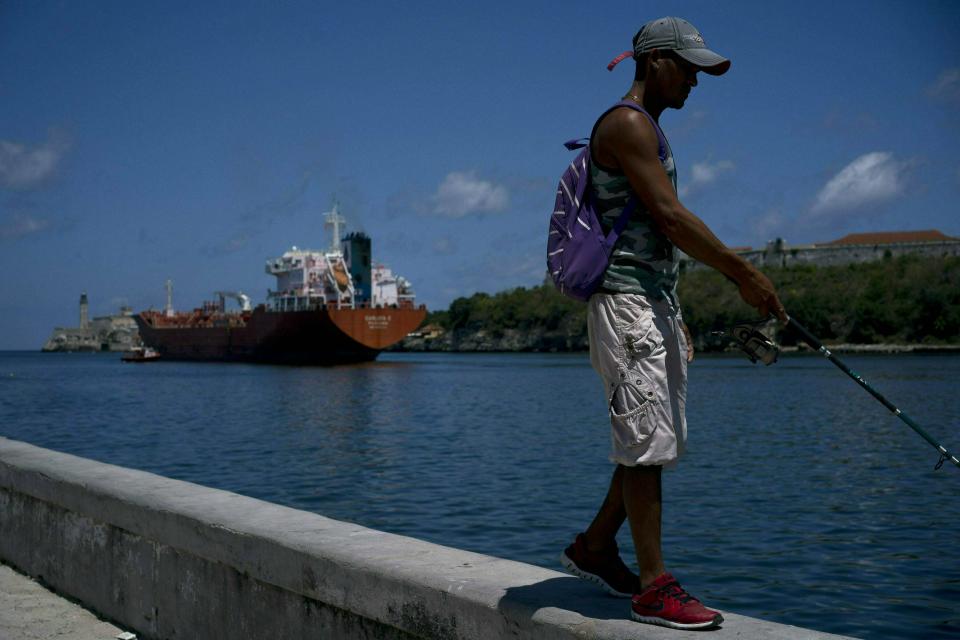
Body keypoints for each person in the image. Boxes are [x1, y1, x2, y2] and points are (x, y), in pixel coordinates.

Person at [558, 16, 787, 631]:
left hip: (652, 303)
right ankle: (654, 588)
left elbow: (662, 227)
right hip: (627, 304)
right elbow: (670, 216)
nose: (694, 79)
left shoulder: (648, 128)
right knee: (646, 444)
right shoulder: (628, 124)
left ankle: (596, 546)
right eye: (687, 66)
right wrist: (746, 274)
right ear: (653, 60)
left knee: (652, 442)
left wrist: (674, 310)